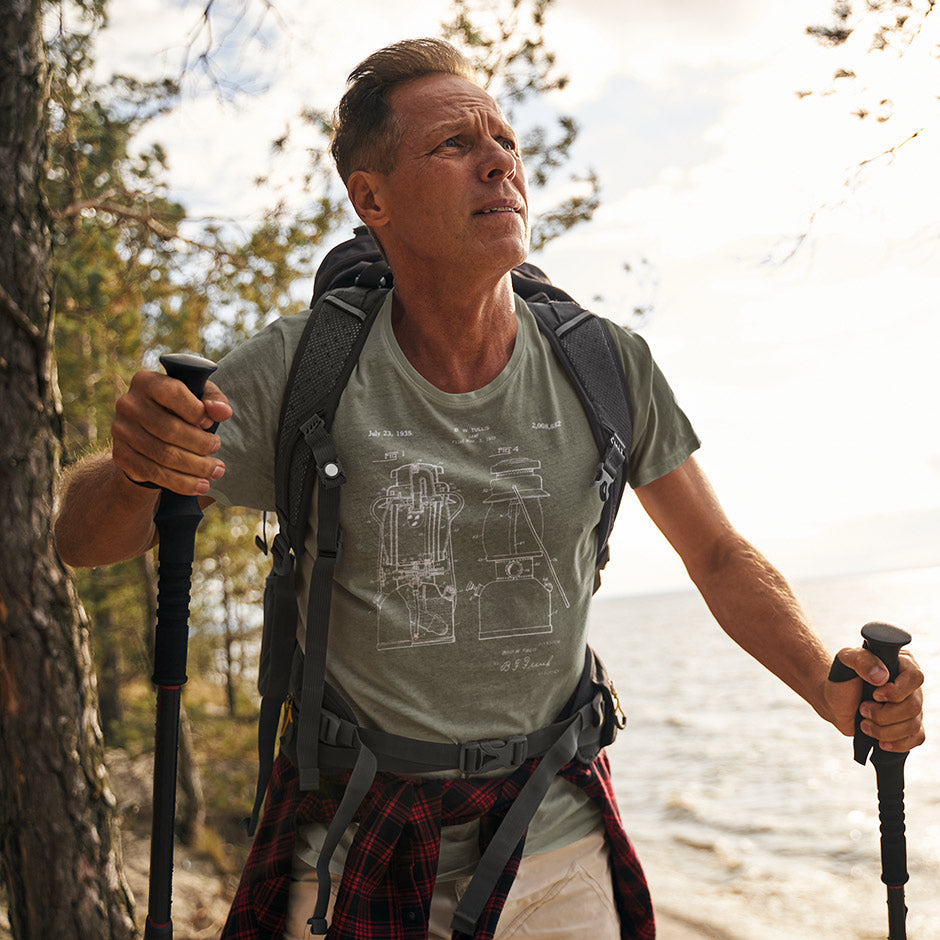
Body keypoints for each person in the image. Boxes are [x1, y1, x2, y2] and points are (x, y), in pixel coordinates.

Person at [54, 38, 925, 940]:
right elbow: (83, 539)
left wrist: (828, 685)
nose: (500, 160)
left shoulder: (604, 363)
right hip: (356, 845)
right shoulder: (306, 365)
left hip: (554, 841)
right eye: (454, 145)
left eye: (503, 138)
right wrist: (133, 466)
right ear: (372, 198)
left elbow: (715, 554)